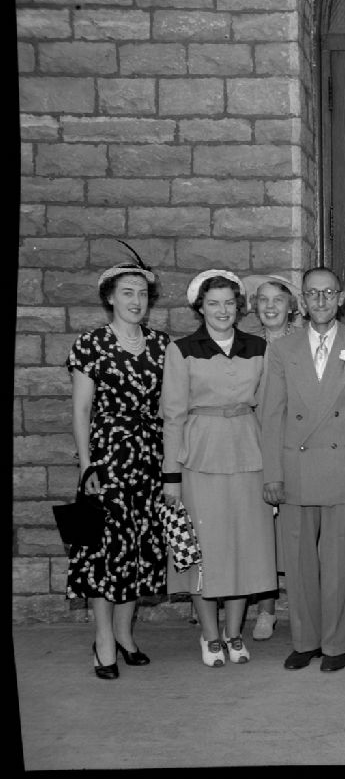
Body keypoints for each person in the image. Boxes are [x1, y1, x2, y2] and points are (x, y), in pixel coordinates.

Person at [161, 270, 277, 667]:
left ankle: (234, 632)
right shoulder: (182, 350)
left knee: (245, 545)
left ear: (239, 307)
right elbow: (173, 417)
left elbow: (268, 409)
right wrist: (171, 478)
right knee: (204, 548)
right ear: (200, 308)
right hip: (200, 456)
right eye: (213, 303)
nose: (222, 310)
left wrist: (273, 469)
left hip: (249, 452)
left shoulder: (258, 347)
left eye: (229, 303)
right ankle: (210, 635)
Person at [67, 246, 169, 679]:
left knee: (140, 547)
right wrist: (86, 466)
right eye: (127, 293)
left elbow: (166, 408)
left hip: (149, 459)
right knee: (102, 550)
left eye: (142, 294)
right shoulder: (91, 344)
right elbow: (81, 410)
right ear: (110, 297)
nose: (136, 301)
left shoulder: (161, 345)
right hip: (106, 459)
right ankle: (104, 639)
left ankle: (126, 634)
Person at [260, 267, 345, 673]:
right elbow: (272, 415)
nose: (321, 301)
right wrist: (272, 473)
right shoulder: (283, 348)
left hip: (344, 465)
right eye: (313, 294)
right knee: (300, 562)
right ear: (302, 301)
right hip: (296, 466)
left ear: (341, 298)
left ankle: (335, 644)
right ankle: (304, 641)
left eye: (328, 293)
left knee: (340, 562)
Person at [241, 273, 305, 641]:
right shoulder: (247, 346)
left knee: (295, 534)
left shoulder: (302, 343)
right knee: (263, 533)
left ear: (291, 306)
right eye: (262, 300)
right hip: (253, 444)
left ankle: (303, 608)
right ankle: (266, 610)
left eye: (277, 300)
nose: (270, 307)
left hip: (293, 445)